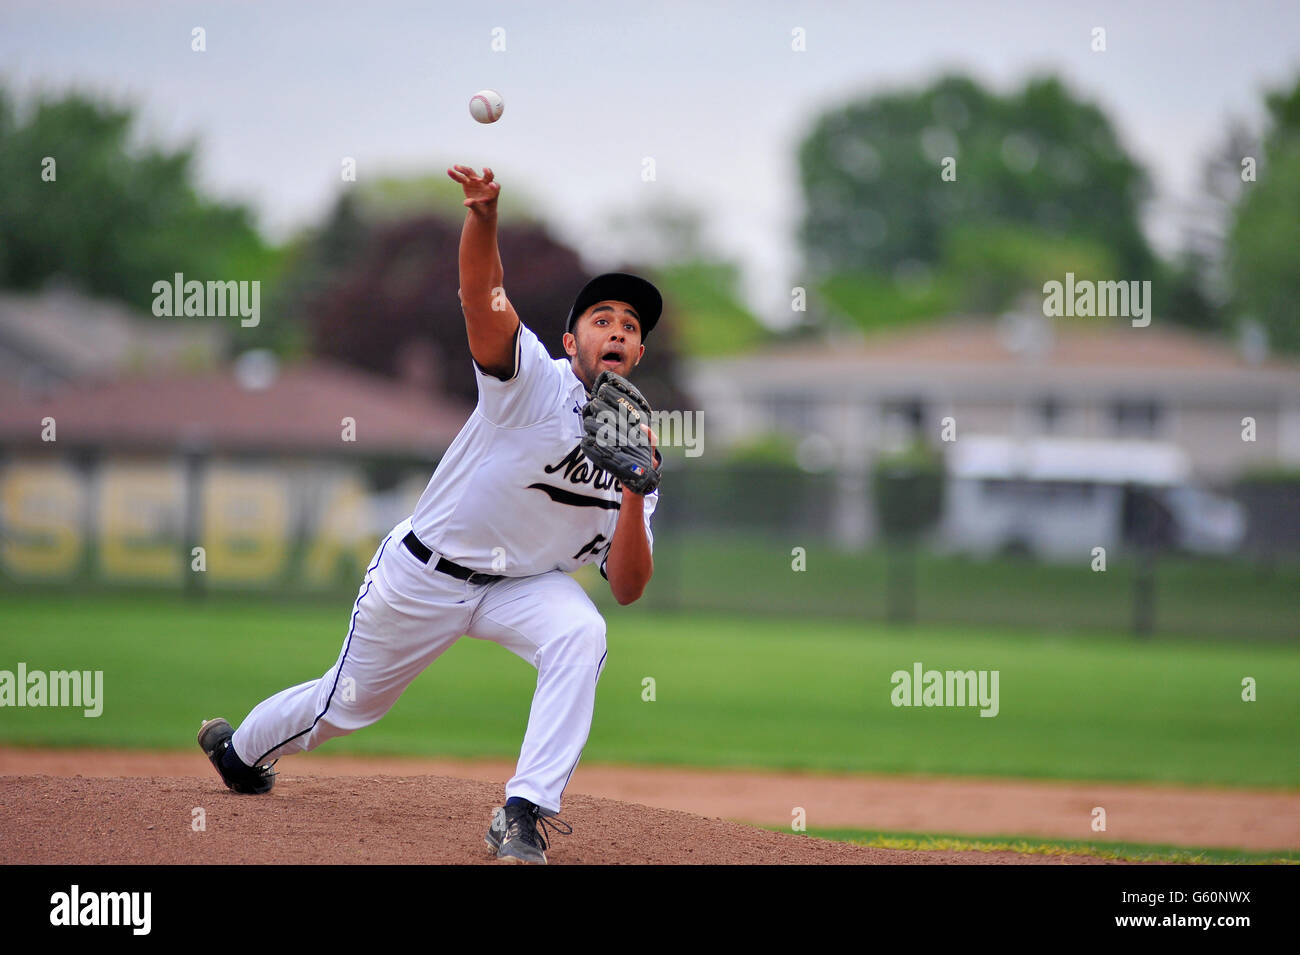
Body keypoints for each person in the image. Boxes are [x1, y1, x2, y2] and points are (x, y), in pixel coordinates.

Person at [197, 164, 663, 865]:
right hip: (426, 573)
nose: (618, 329)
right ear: (572, 345)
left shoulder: (639, 449)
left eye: (630, 324)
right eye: (602, 319)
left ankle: (523, 813)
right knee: (345, 706)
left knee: (582, 629)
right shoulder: (532, 382)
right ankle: (240, 752)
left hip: (520, 585)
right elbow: (483, 296)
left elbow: (626, 586)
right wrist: (482, 220)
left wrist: (635, 488)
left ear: (641, 350)